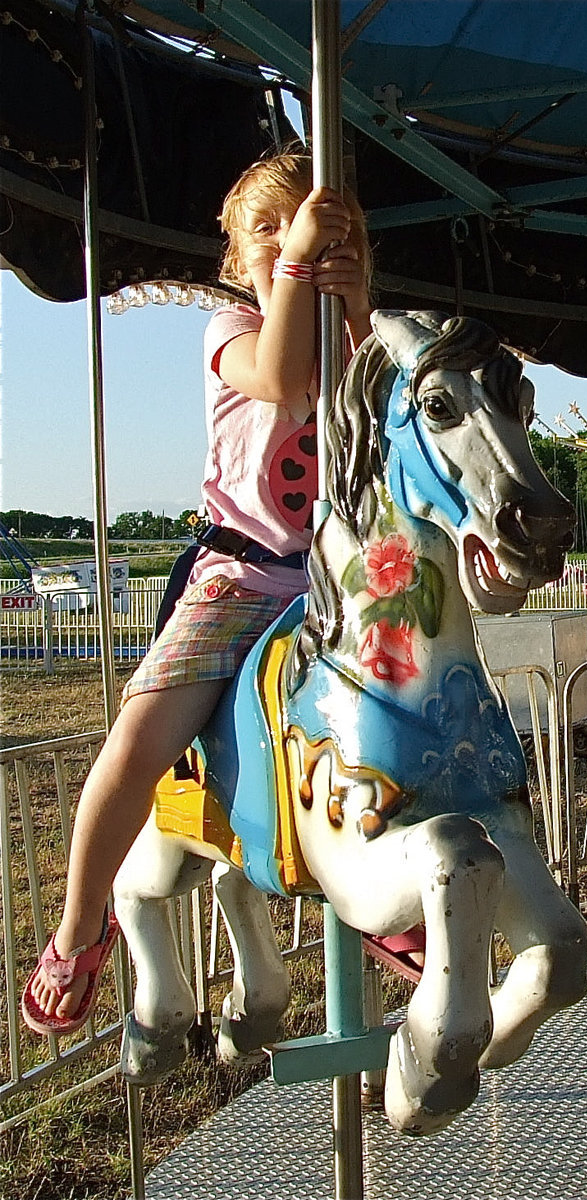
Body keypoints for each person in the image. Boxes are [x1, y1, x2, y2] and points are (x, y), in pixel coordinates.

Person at [21, 150, 373, 1035]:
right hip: (242, 576)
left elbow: (389, 412)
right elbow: (284, 379)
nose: (289, 240)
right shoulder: (229, 326)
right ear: (236, 257)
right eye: (267, 227)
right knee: (136, 741)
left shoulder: (360, 346)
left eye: (316, 226)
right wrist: (296, 265)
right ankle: (78, 924)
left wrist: (360, 303)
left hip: (340, 579)